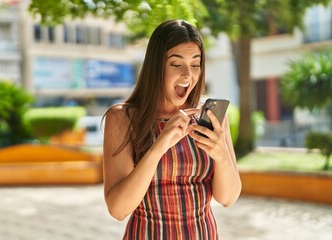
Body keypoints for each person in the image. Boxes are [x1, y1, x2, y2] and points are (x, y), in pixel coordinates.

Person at [103, 19, 241, 239]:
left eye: (195, 64)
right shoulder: (122, 118)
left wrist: (222, 157)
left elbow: (228, 198)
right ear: (156, 66)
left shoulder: (209, 116)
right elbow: (119, 210)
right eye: (176, 64)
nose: (188, 75)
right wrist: (158, 147)